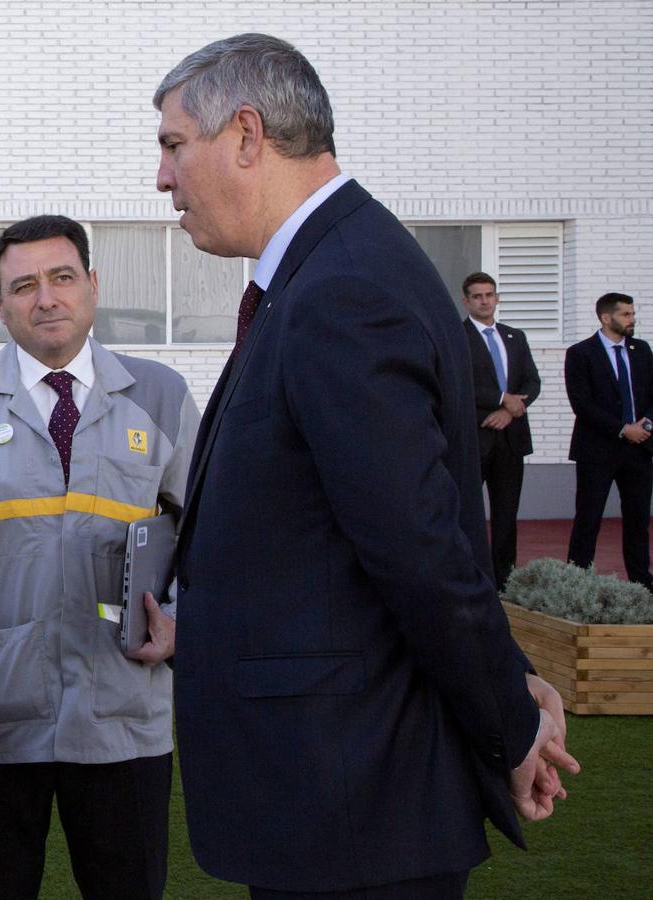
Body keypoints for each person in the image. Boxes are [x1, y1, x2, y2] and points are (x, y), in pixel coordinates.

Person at [153, 34, 579, 897]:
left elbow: (418, 550)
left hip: (349, 802)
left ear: (245, 135)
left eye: (170, 146)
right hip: (333, 795)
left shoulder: (341, 289)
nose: (161, 178)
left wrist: (509, 722)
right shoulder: (329, 270)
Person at [0, 214, 200, 900]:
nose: (46, 298)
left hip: (124, 719)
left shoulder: (161, 397)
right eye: (23, 285)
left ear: (91, 286)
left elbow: (210, 544)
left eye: (62, 278)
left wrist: (184, 622)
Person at [565, 291, 653, 588]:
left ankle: (641, 583)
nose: (632, 319)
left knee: (638, 520)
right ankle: (576, 582)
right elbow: (582, 404)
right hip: (597, 451)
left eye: (632, 313)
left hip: (639, 448)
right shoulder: (581, 353)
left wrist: (645, 425)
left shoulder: (641, 349)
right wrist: (621, 428)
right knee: (588, 519)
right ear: (606, 317)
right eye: (626, 314)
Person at [461, 272, 541, 591]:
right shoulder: (457, 336)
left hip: (511, 438)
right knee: (467, 514)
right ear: (466, 300)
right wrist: (500, 399)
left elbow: (532, 382)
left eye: (490, 295)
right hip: (475, 438)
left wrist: (508, 410)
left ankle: (504, 579)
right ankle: (470, 576)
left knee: (507, 514)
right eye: (478, 296)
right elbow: (460, 383)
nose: (485, 301)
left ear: (497, 298)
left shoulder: (515, 337)